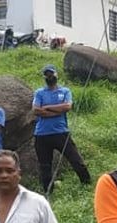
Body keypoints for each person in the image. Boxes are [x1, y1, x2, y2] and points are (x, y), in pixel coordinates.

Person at [33, 64, 92, 193]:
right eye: (47, 74)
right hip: (41, 135)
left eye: (51, 74)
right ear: (44, 77)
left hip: (61, 132)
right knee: (45, 166)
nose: (50, 76)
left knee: (76, 160)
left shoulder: (65, 91)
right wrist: (56, 110)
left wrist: (47, 107)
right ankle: (48, 192)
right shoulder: (39, 92)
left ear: (56, 75)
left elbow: (67, 107)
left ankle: (87, 185)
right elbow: (36, 110)